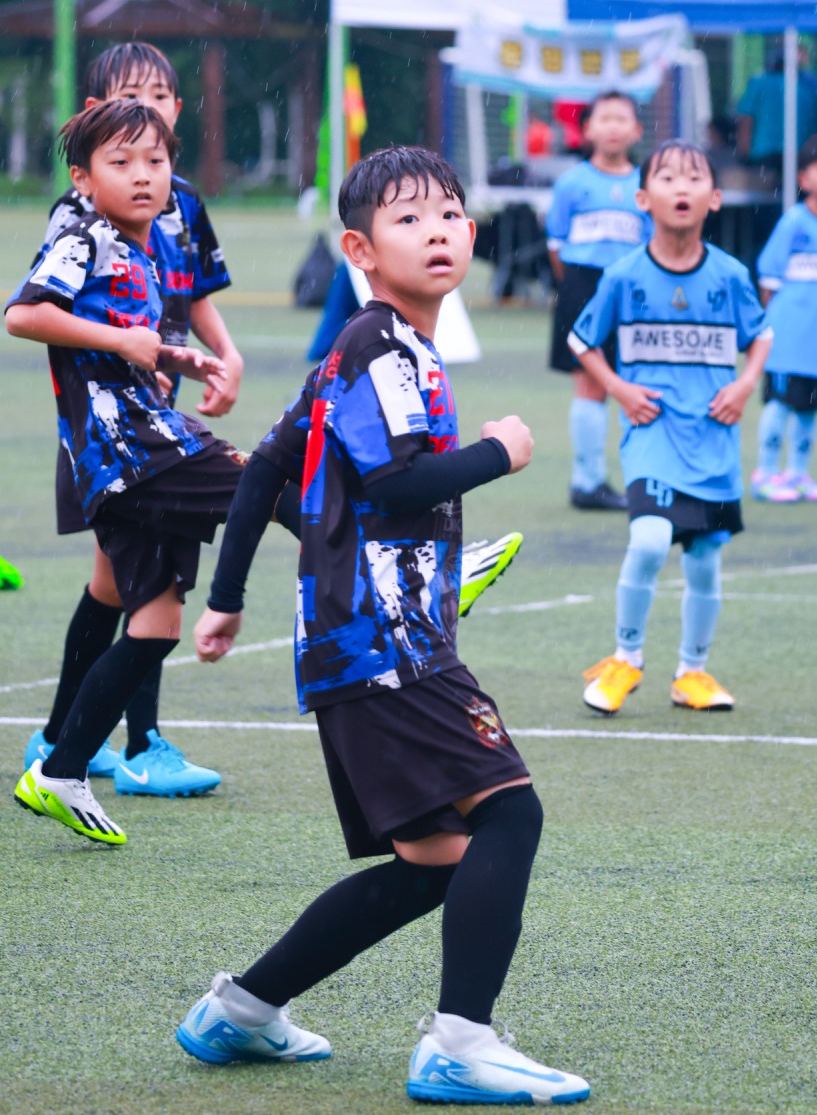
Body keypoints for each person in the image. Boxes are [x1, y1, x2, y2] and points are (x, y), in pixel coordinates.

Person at [176, 147, 590, 1106]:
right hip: (390, 643)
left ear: (473, 236)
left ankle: (238, 1011)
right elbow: (397, 485)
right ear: (360, 248)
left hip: (359, 645)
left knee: (430, 863)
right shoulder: (381, 348)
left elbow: (266, 468)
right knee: (511, 814)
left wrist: (230, 596)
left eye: (449, 213)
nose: (436, 229)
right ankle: (459, 1045)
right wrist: (500, 450)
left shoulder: (358, 351)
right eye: (408, 219)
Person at [7, 99, 300, 846]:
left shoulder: (142, 250)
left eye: (156, 162)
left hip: (131, 448)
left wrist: (176, 355)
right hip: (131, 448)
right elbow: (25, 315)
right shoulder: (84, 236)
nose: (143, 176)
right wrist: (127, 342)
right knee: (265, 478)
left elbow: (120, 346)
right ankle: (410, 559)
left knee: (155, 624)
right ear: (82, 178)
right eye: (121, 162)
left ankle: (61, 770)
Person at [22, 41, 242, 800]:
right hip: (110, 430)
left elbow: (196, 292)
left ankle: (63, 748)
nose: (149, 109)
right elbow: (31, 313)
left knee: (128, 590)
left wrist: (220, 355)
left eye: (161, 96)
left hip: (158, 410)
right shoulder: (83, 220)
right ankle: (131, 743)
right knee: (131, 581)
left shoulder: (180, 201)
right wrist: (123, 343)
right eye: (130, 98)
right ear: (92, 125)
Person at [568, 140, 772, 717]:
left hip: (713, 438)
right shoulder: (623, 276)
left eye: (693, 178)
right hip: (652, 433)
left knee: (705, 559)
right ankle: (625, 658)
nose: (680, 188)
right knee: (651, 539)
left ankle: (692, 673)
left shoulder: (731, 276)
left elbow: (761, 336)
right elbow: (581, 341)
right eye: (667, 178)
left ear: (714, 198)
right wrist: (621, 389)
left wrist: (744, 384)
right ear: (642, 197)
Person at [546, 90, 650, 511]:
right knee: (589, 384)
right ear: (586, 130)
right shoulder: (572, 182)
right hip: (582, 287)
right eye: (603, 118)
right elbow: (556, 246)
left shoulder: (645, 183)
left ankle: (644, 477)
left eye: (621, 119)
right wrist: (573, 287)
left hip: (630, 292)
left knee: (633, 382)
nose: (612, 127)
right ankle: (587, 482)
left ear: (636, 130)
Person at [751, 135, 817, 504]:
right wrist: (772, 326)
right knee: (779, 403)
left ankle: (798, 473)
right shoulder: (794, 221)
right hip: (789, 337)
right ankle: (765, 472)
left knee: (810, 407)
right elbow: (769, 278)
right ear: (804, 179)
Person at [735, 41, 817, 197]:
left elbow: (746, 119)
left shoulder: (759, 82)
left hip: (764, 154)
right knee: (794, 197)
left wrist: (743, 152)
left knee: (764, 201)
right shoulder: (807, 85)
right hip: (798, 153)